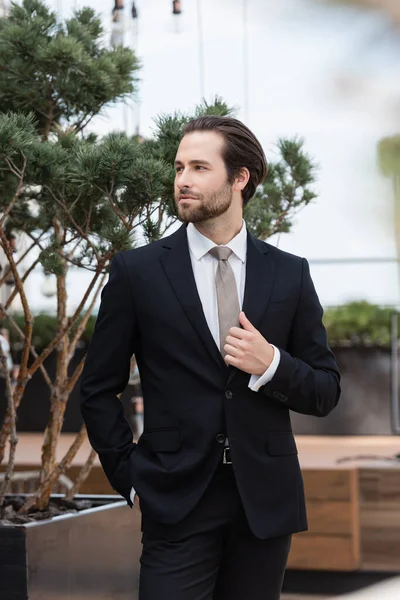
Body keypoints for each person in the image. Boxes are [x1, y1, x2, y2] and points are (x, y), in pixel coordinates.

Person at [80, 116, 341, 600]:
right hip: (174, 496)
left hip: (263, 498)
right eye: (179, 167)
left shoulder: (289, 275)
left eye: (199, 167)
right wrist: (130, 476)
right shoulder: (137, 273)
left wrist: (272, 365)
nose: (183, 180)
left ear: (240, 178)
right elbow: (97, 389)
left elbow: (326, 389)